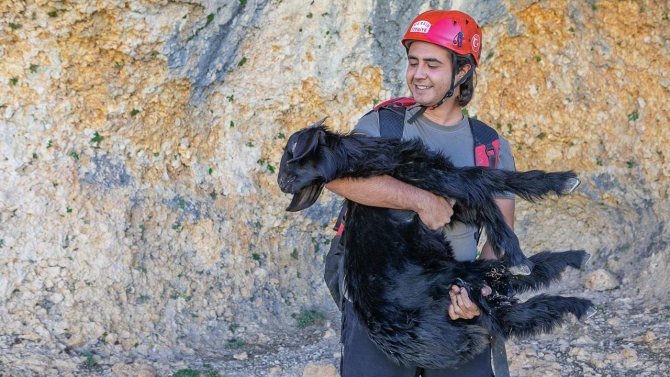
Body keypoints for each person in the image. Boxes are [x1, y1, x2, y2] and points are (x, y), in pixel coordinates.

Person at [324, 9, 517, 377]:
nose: (418, 75)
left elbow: (501, 238)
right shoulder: (384, 125)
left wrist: (483, 293)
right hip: (379, 300)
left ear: (462, 71)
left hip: (455, 303)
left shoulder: (488, 146)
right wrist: (420, 199)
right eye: (413, 62)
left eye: (432, 64)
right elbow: (335, 176)